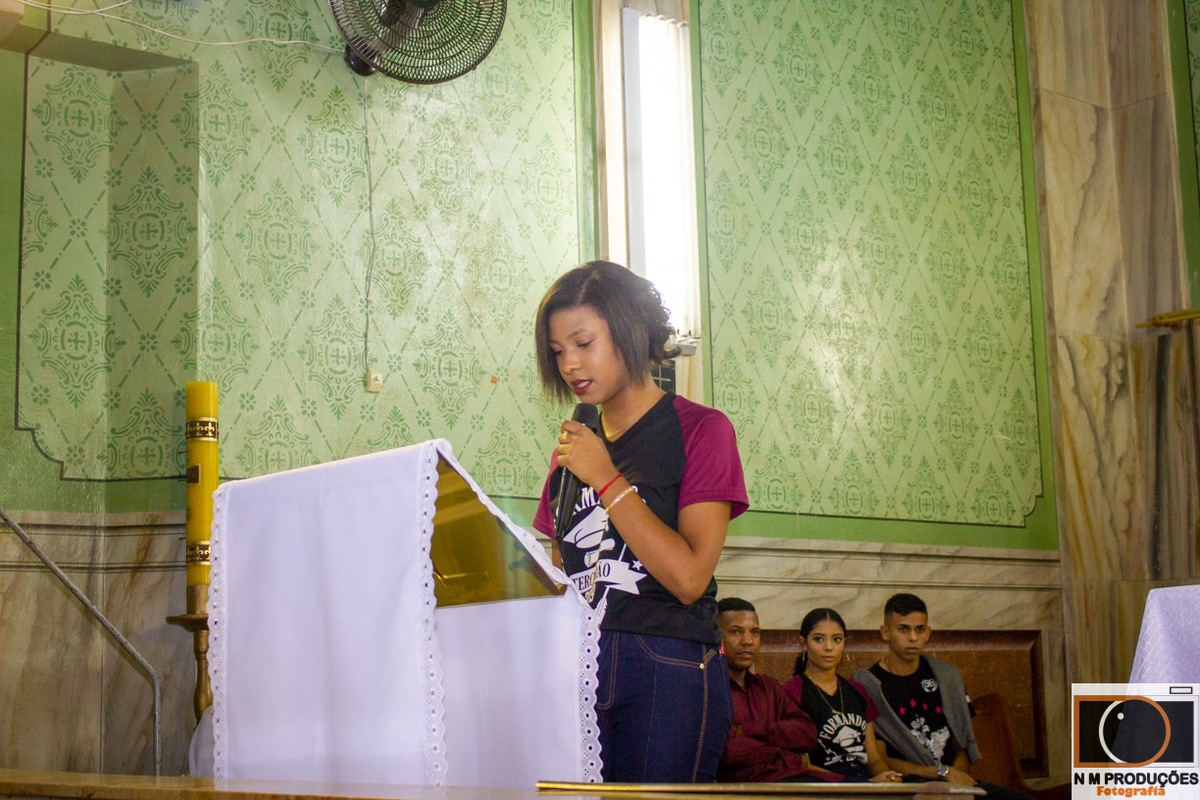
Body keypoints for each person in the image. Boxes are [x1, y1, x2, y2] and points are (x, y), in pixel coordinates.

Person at [531, 261, 749, 783]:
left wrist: (606, 478)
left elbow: (689, 579)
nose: (570, 364)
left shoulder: (701, 430)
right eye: (559, 351)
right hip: (581, 663)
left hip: (665, 662)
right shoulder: (574, 449)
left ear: (629, 331)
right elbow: (562, 565)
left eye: (583, 343)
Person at [851, 594, 1033, 800]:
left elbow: (961, 746)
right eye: (903, 629)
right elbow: (879, 758)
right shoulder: (869, 684)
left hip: (955, 782)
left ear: (928, 633)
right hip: (910, 785)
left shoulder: (947, 676)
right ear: (885, 633)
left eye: (919, 630)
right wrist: (941, 773)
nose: (912, 638)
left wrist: (956, 779)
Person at [781, 608, 902, 783]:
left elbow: (874, 759)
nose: (829, 647)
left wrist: (888, 777)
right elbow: (803, 764)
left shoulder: (857, 691)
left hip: (865, 784)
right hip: (823, 788)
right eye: (819, 639)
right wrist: (858, 785)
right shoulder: (792, 692)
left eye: (836, 639)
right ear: (803, 643)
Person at [715, 598, 821, 783]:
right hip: (749, 791)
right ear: (716, 637)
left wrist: (751, 729)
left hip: (796, 781)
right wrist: (786, 754)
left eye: (754, 632)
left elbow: (807, 733)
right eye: (736, 632)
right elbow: (727, 752)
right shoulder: (708, 690)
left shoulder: (768, 687)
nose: (748, 641)